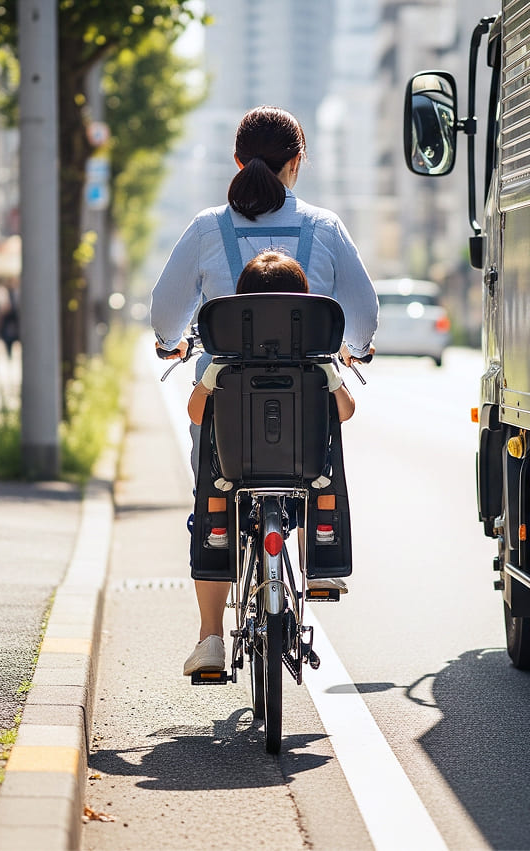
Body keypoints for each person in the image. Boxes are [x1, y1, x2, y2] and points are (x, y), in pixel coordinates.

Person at [150, 105, 379, 677]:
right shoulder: (323, 227)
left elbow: (164, 311)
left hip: (226, 405)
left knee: (213, 501)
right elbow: (364, 313)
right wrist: (354, 347)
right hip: (305, 404)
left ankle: (209, 637)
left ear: (237, 160)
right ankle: (320, 561)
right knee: (324, 455)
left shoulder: (207, 228)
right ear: (297, 162)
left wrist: (171, 343)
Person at [186, 251, 356, 426]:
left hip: (237, 452)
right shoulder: (316, 361)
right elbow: (345, 412)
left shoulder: (226, 363)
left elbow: (197, 416)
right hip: (306, 451)